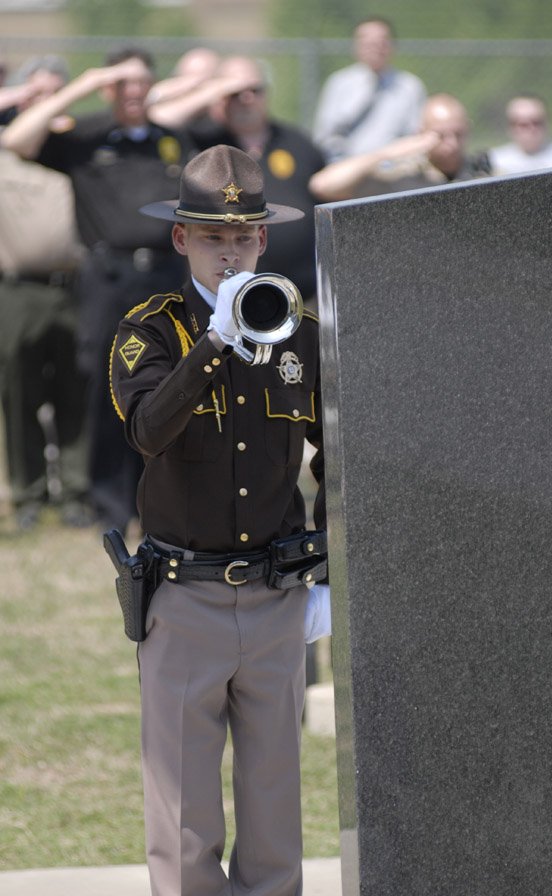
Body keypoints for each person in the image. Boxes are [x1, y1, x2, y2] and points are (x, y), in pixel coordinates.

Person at [109, 143, 330, 896]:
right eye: (212, 237)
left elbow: (340, 450)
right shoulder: (150, 331)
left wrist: (329, 566)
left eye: (243, 237)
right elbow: (146, 432)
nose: (230, 252)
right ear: (182, 239)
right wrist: (216, 343)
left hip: (276, 597)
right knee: (184, 817)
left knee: (274, 808)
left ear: (264, 237)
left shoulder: (297, 329)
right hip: (184, 598)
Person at [1, 46, 193, 533]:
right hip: (108, 278)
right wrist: (86, 84)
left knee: (172, 387)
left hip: (167, 274)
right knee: (108, 390)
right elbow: (19, 139)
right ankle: (108, 505)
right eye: (121, 84)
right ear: (108, 89)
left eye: (140, 83)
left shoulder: (171, 140)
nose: (133, 93)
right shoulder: (85, 136)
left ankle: (166, 501)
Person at [0, 56, 92, 530]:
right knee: (20, 394)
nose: (51, 102)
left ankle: (75, 491)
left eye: (59, 92)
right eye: (39, 93)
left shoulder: (77, 147)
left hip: (76, 286)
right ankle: (28, 494)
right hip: (20, 291)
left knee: (75, 389)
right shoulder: (6, 146)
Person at [190, 55, 327, 309]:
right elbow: (157, 118)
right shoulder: (201, 144)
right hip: (219, 300)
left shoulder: (297, 143)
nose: (246, 99)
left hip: (298, 297)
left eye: (255, 90)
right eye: (235, 92)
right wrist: (211, 88)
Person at [309, 93, 492, 202]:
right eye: (440, 136)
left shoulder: (482, 174)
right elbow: (323, 185)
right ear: (422, 133)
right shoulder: (402, 174)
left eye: (458, 134)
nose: (451, 144)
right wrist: (386, 153)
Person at [312, 16, 427, 163]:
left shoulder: (410, 87)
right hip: (347, 168)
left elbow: (416, 136)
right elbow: (324, 134)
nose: (375, 48)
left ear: (392, 45)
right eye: (367, 42)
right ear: (355, 46)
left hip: (395, 171)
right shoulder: (339, 83)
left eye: (381, 42)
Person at [490, 93, 552, 175]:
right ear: (510, 127)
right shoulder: (495, 161)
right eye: (523, 124)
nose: (531, 129)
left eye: (536, 122)